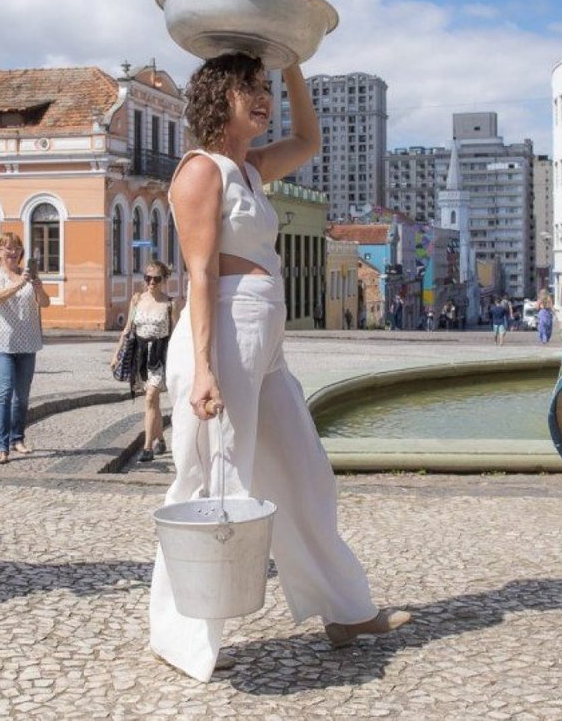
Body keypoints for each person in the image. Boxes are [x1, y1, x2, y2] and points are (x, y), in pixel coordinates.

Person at [151, 54, 410, 682]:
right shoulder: (199, 172)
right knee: (211, 475)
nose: (263, 100)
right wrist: (206, 369)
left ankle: (343, 609)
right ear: (219, 97)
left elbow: (310, 141)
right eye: (251, 89)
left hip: (263, 335)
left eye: (266, 90)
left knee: (303, 472)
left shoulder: (251, 169)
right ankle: (184, 631)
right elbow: (201, 275)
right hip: (224, 333)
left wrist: (295, 69)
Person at [0, 233, 49, 464]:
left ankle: (17, 438)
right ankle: (1, 446)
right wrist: (19, 283)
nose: (13, 252)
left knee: (21, 397)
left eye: (17, 248)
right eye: (8, 248)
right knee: (4, 393)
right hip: (2, 344)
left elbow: (45, 303)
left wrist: (38, 288)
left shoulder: (28, 275)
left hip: (28, 342)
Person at [114, 260, 175, 463]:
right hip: (140, 356)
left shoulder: (170, 303)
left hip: (159, 356)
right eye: (147, 278)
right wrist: (116, 354)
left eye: (156, 279)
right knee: (153, 403)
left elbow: (175, 334)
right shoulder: (137, 299)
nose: (151, 282)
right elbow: (128, 328)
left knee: (150, 398)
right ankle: (160, 439)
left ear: (164, 280)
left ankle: (147, 447)